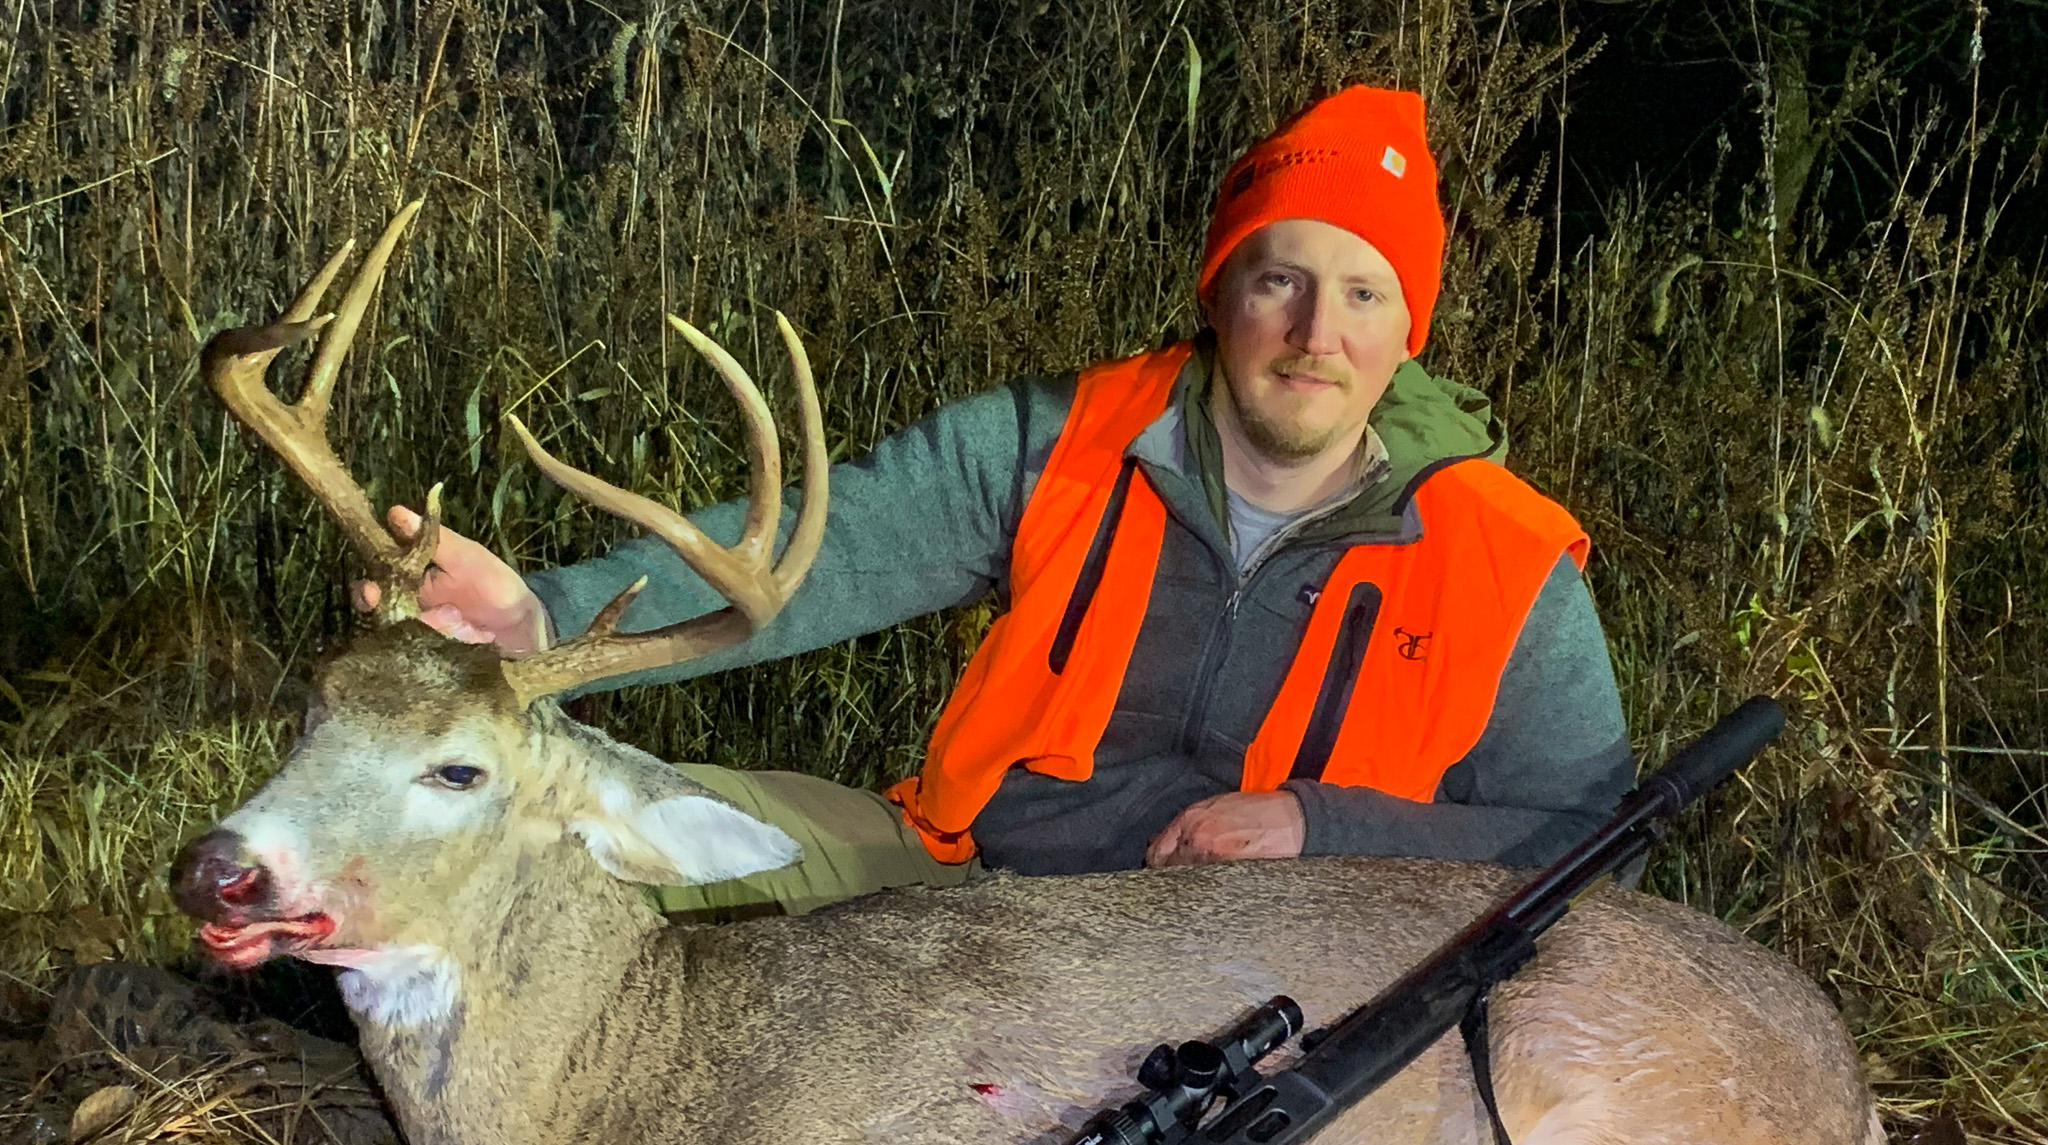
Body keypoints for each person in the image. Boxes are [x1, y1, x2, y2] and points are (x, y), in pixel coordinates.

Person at [359, 86, 1632, 916]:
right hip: (963, 888)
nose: (1312, 333)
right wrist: (538, 622)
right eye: (1276, 280)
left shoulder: (1503, 562)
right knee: (564, 830)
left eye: (1362, 294)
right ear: (1217, 295)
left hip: (1281, 965)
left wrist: (1322, 826)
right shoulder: (1052, 445)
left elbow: (1597, 847)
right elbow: (818, 554)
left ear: (1409, 329)